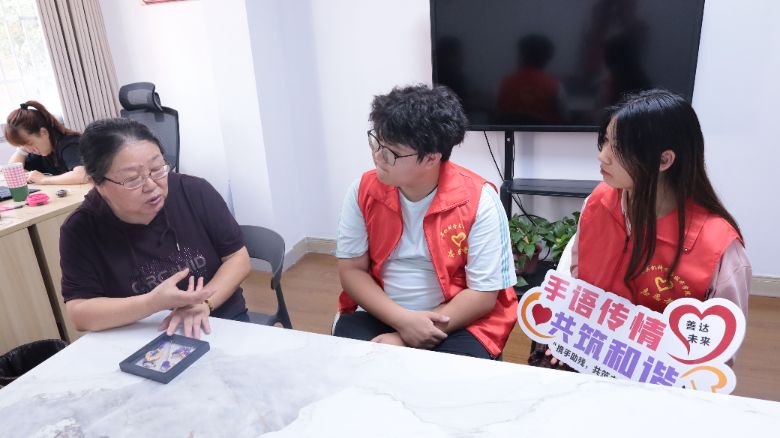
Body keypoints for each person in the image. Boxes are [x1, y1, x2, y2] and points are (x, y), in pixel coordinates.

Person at [532, 89, 750, 368]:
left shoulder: (719, 248)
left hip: (656, 373)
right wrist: (564, 337)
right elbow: (575, 284)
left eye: (619, 148)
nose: (602, 156)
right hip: (589, 349)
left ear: (664, 160)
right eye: (605, 141)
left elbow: (718, 351)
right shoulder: (598, 203)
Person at [333, 84, 518, 360]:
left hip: (457, 318)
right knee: (351, 366)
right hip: (381, 310)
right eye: (376, 143)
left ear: (431, 158)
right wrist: (402, 322)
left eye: (391, 152)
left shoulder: (479, 200)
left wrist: (405, 337)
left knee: (447, 380)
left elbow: (482, 295)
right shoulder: (363, 190)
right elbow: (352, 271)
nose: (377, 156)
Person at [59, 118, 251, 338]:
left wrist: (204, 303)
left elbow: (237, 257)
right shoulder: (80, 229)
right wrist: (152, 303)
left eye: (157, 169)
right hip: (140, 335)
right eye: (132, 179)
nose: (151, 186)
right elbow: (80, 313)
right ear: (97, 183)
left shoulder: (194, 192)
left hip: (218, 321)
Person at [3, 101, 85, 184]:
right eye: (23, 146)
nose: (29, 149)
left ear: (44, 132)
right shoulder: (40, 150)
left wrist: (43, 179)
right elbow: (12, 173)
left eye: (29, 143)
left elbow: (82, 175)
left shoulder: (70, 144)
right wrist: (22, 149)